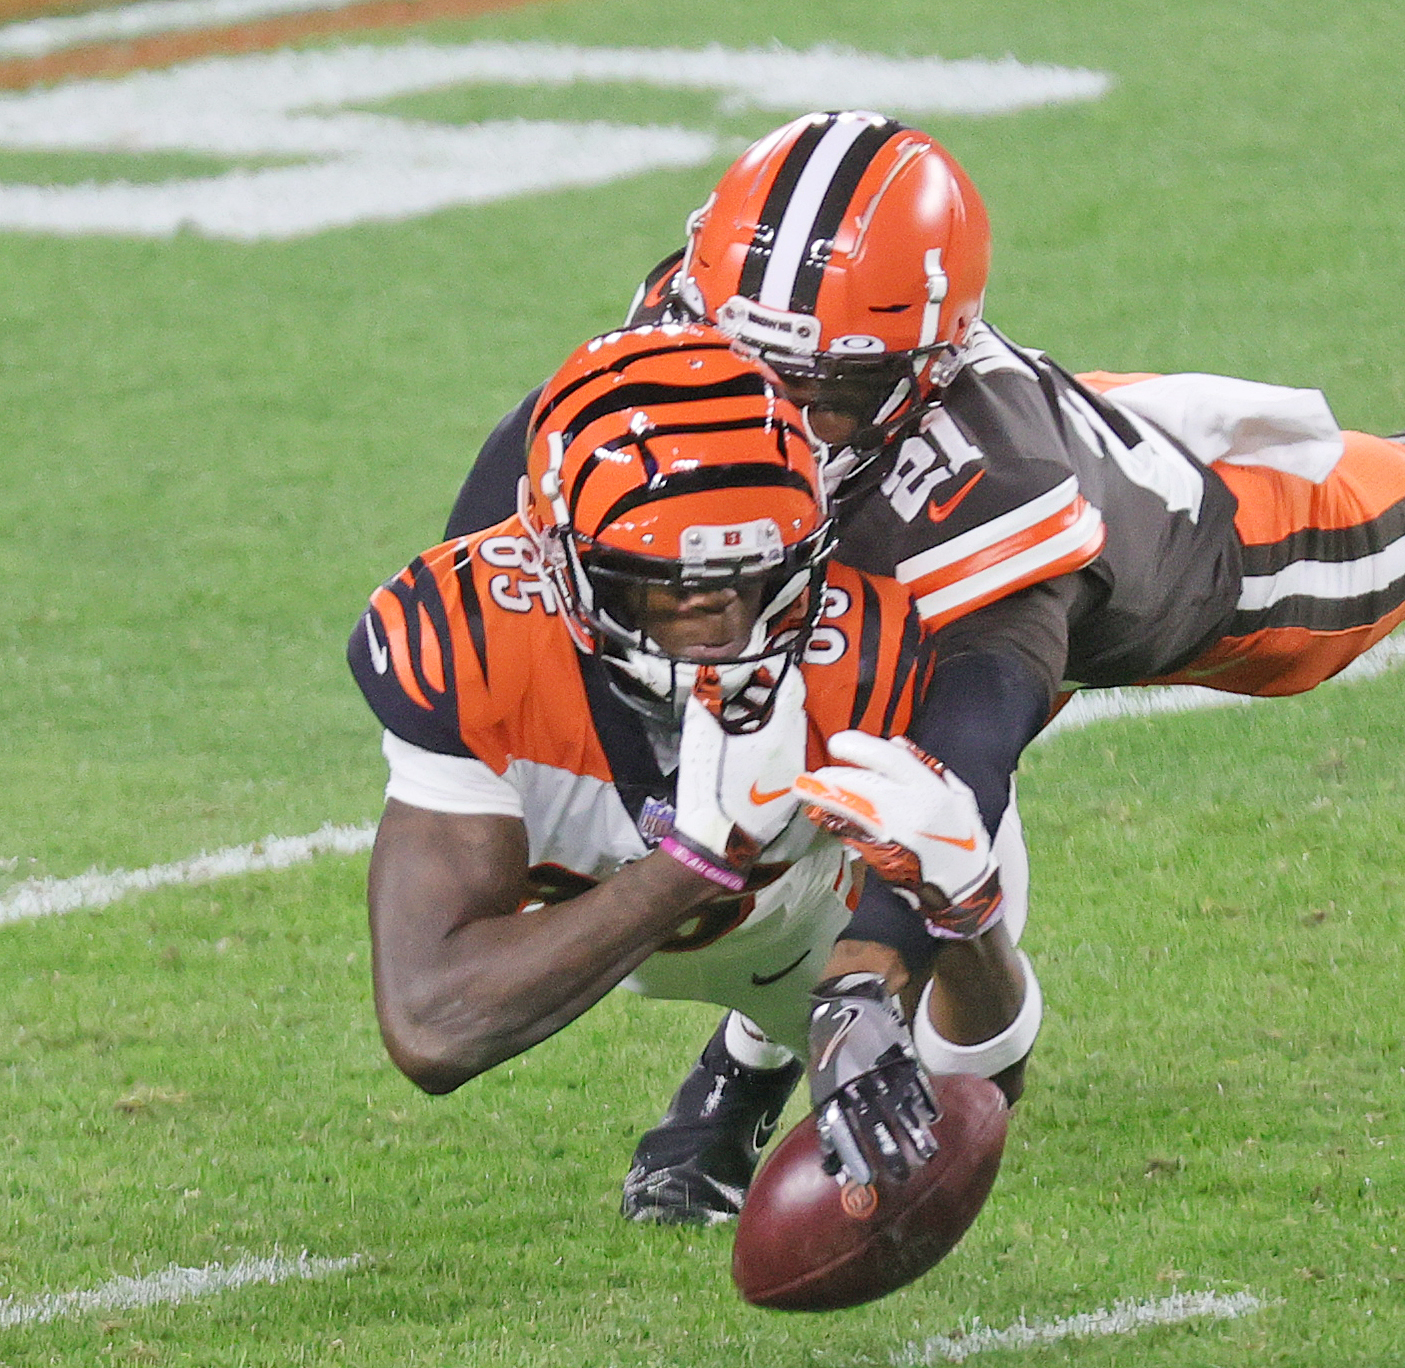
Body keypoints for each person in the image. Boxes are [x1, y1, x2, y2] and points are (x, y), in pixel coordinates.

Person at [445, 33, 1405, 1222]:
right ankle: (738, 1076)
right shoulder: (695, 322)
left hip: (1173, 561)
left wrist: (865, 988)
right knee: (753, 744)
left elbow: (960, 775)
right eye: (756, 369)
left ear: (925, 364)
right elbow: (523, 478)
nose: (780, 421)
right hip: (908, 559)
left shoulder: (989, 502)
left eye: (832, 388)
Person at [352, 324, 1036, 1219]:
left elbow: (977, 1086)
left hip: (809, 905)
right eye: (666, 580)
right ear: (563, 563)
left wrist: (959, 913)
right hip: (596, 913)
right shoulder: (476, 638)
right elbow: (431, 1026)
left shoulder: (874, 650)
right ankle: (752, 1045)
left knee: (917, 1151)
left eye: (750, 572)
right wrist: (695, 859)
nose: (716, 608)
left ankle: (747, 1063)